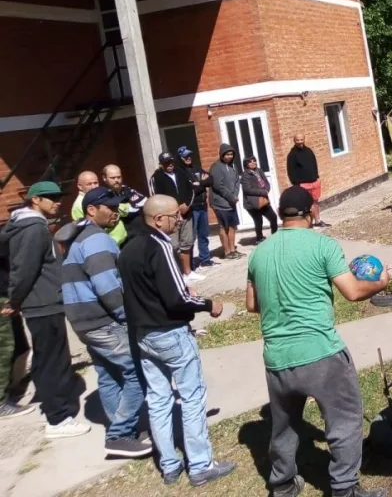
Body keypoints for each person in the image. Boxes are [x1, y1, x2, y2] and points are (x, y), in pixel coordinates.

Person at [245, 186, 389, 497]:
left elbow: (252, 304)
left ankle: (282, 484)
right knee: (344, 421)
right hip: (321, 353)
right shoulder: (323, 245)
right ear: (312, 210)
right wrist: (380, 282)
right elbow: (352, 292)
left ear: (282, 213)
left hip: (277, 357)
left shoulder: (259, 252)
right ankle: (344, 487)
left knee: (284, 426)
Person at [118, 195, 234, 487]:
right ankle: (200, 465)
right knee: (192, 397)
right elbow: (176, 298)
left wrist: (181, 291)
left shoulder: (127, 247)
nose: (179, 219)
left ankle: (169, 465)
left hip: (143, 334)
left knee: (158, 399)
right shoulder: (159, 245)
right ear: (158, 220)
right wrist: (208, 304)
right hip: (169, 332)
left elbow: (151, 289)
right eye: (174, 216)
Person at [61, 186, 150, 457]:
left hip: (84, 321)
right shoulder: (97, 240)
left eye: (117, 206)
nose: (116, 212)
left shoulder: (80, 237)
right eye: (109, 208)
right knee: (136, 371)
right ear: (91, 210)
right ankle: (120, 433)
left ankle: (125, 429)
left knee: (109, 374)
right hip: (103, 321)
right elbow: (109, 289)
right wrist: (129, 317)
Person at [0, 181, 90, 438]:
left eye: (58, 196)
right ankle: (58, 418)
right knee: (54, 360)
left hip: (43, 302)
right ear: (34, 200)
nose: (56, 201)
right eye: (49, 197)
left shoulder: (30, 225)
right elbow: (24, 268)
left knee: (46, 358)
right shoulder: (33, 229)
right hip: (43, 304)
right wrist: (14, 301)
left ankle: (50, 400)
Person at [150, 152, 202, 282]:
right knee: (173, 246)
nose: (170, 165)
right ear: (161, 164)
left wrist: (187, 205)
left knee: (187, 243)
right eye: (166, 163)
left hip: (186, 213)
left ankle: (188, 272)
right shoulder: (156, 177)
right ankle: (177, 274)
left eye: (171, 162)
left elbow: (191, 190)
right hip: (170, 217)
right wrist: (174, 209)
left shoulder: (181, 172)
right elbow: (156, 197)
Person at [0, 240, 34, 420]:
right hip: (2, 299)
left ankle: (12, 386)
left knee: (19, 346)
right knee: (4, 350)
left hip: (7, 296)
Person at [177, 146, 215, 269]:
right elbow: (190, 189)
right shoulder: (180, 172)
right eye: (185, 156)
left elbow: (211, 180)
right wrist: (198, 186)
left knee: (203, 234)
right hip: (192, 208)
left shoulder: (196, 168)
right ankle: (191, 264)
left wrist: (201, 183)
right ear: (180, 158)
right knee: (190, 238)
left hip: (202, 206)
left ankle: (205, 259)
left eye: (189, 155)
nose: (188, 158)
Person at [209, 144, 244, 260]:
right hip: (220, 202)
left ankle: (233, 250)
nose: (229, 157)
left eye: (231, 154)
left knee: (233, 226)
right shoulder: (216, 167)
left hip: (231, 202)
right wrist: (230, 197)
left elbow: (237, 182)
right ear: (222, 155)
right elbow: (218, 186)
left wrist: (235, 195)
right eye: (227, 154)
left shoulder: (233, 166)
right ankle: (227, 252)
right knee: (224, 226)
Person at [286, 135, 327, 226]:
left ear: (304, 139)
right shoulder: (292, 155)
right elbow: (290, 171)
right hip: (303, 184)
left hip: (314, 182)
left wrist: (316, 177)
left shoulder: (309, 151)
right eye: (298, 140)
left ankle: (318, 221)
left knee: (315, 202)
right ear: (294, 141)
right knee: (306, 205)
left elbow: (314, 164)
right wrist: (296, 184)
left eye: (301, 139)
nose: (300, 142)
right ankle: (308, 223)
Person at [99, 165, 144, 244]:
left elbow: (144, 202)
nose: (116, 180)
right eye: (112, 178)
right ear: (104, 178)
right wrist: (130, 205)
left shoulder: (127, 189)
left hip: (139, 234)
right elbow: (121, 211)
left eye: (119, 177)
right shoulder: (102, 195)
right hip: (120, 240)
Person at [241, 156, 278, 244]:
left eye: (254, 161)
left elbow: (266, 182)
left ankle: (275, 235)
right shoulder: (245, 175)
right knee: (258, 220)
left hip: (263, 200)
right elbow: (247, 190)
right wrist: (262, 192)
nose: (253, 163)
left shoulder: (259, 171)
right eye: (250, 162)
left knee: (273, 217)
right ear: (246, 164)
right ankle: (259, 238)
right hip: (252, 203)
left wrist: (267, 189)